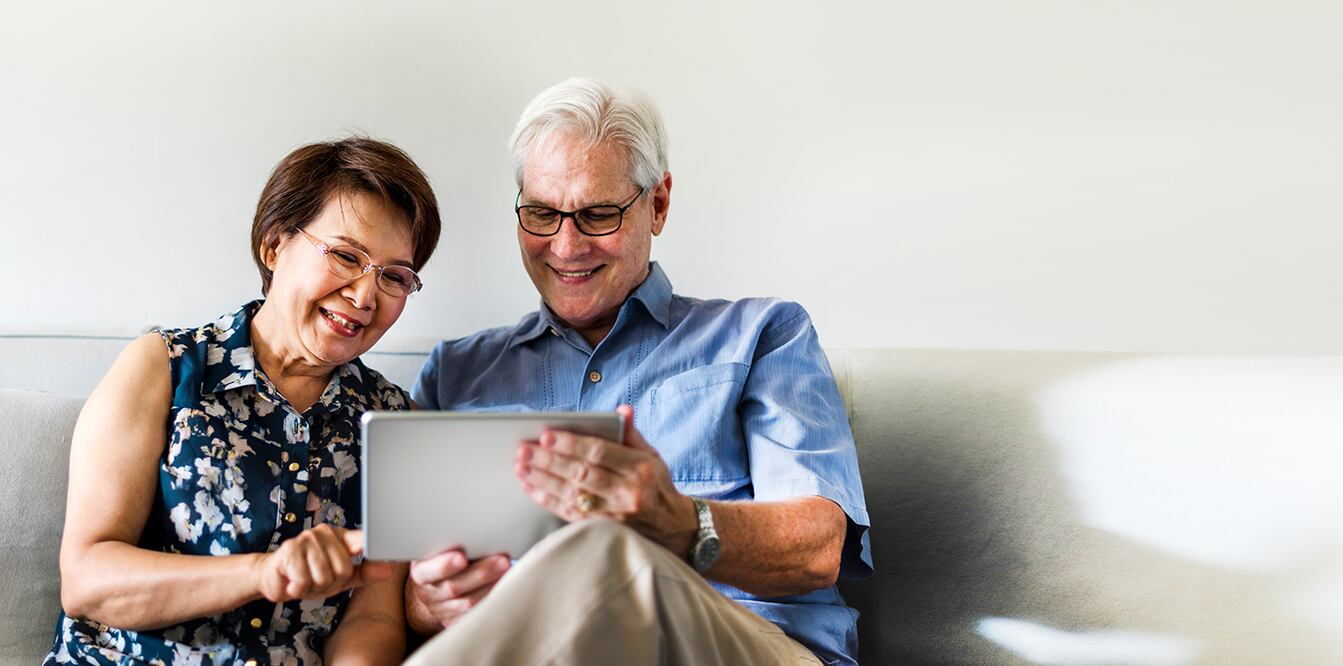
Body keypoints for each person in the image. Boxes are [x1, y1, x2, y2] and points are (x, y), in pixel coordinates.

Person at [407, 78, 871, 665]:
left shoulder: (763, 335)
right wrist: (427, 603)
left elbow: (816, 549)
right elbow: (400, 589)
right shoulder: (454, 375)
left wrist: (679, 523)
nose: (566, 245)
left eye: (598, 214)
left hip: (746, 644)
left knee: (601, 551)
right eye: (541, 214)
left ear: (658, 204)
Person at [45, 138, 441, 665]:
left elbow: (374, 615)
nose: (366, 296)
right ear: (274, 246)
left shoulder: (395, 422)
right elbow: (88, 581)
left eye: (393, 276)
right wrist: (262, 573)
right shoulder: (163, 369)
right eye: (346, 255)